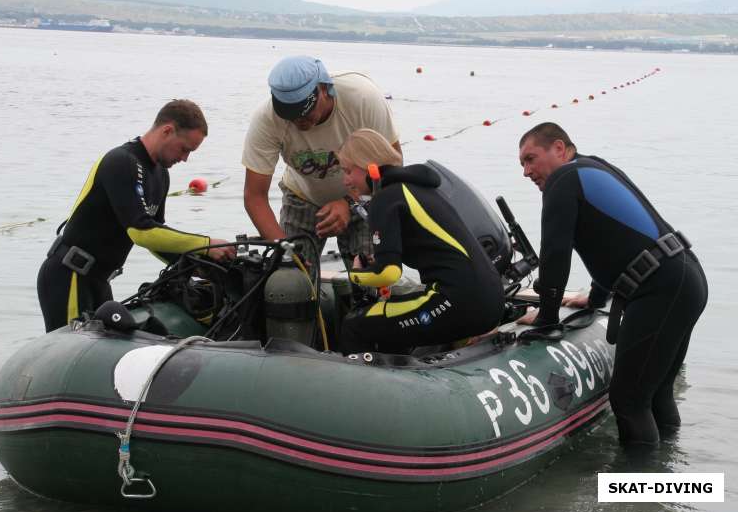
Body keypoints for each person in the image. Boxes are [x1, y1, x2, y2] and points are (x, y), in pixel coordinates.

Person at [517, 122, 708, 445]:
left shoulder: (562, 180)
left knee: (629, 402)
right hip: (685, 278)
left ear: (560, 149)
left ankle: (631, 495)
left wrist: (547, 319)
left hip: (660, 288)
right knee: (656, 392)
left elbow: (555, 253)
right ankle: (668, 480)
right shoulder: (589, 169)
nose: (526, 171)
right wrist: (594, 298)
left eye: (530, 158)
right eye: (522, 163)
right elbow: (611, 239)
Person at [37, 99, 235, 332]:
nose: (184, 159)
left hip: (99, 280)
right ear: (167, 130)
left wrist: (198, 266)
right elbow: (141, 232)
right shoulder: (121, 162)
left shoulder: (161, 175)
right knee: (67, 354)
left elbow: (157, 236)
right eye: (185, 149)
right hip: (69, 275)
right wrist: (206, 244)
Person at [336, 129, 504, 354]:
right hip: (491, 301)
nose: (345, 181)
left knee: (355, 325)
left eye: (348, 171)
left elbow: (387, 274)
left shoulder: (384, 199)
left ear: (368, 165)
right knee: (387, 319)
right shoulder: (417, 188)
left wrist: (354, 275)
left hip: (455, 301)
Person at [242, 56, 400, 271]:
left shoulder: (362, 98)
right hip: (303, 197)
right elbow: (255, 196)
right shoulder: (267, 119)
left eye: (305, 112)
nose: (299, 121)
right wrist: (286, 252)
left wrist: (350, 203)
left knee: (371, 277)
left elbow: (394, 167)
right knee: (290, 281)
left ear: (324, 89)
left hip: (365, 196)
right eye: (290, 116)